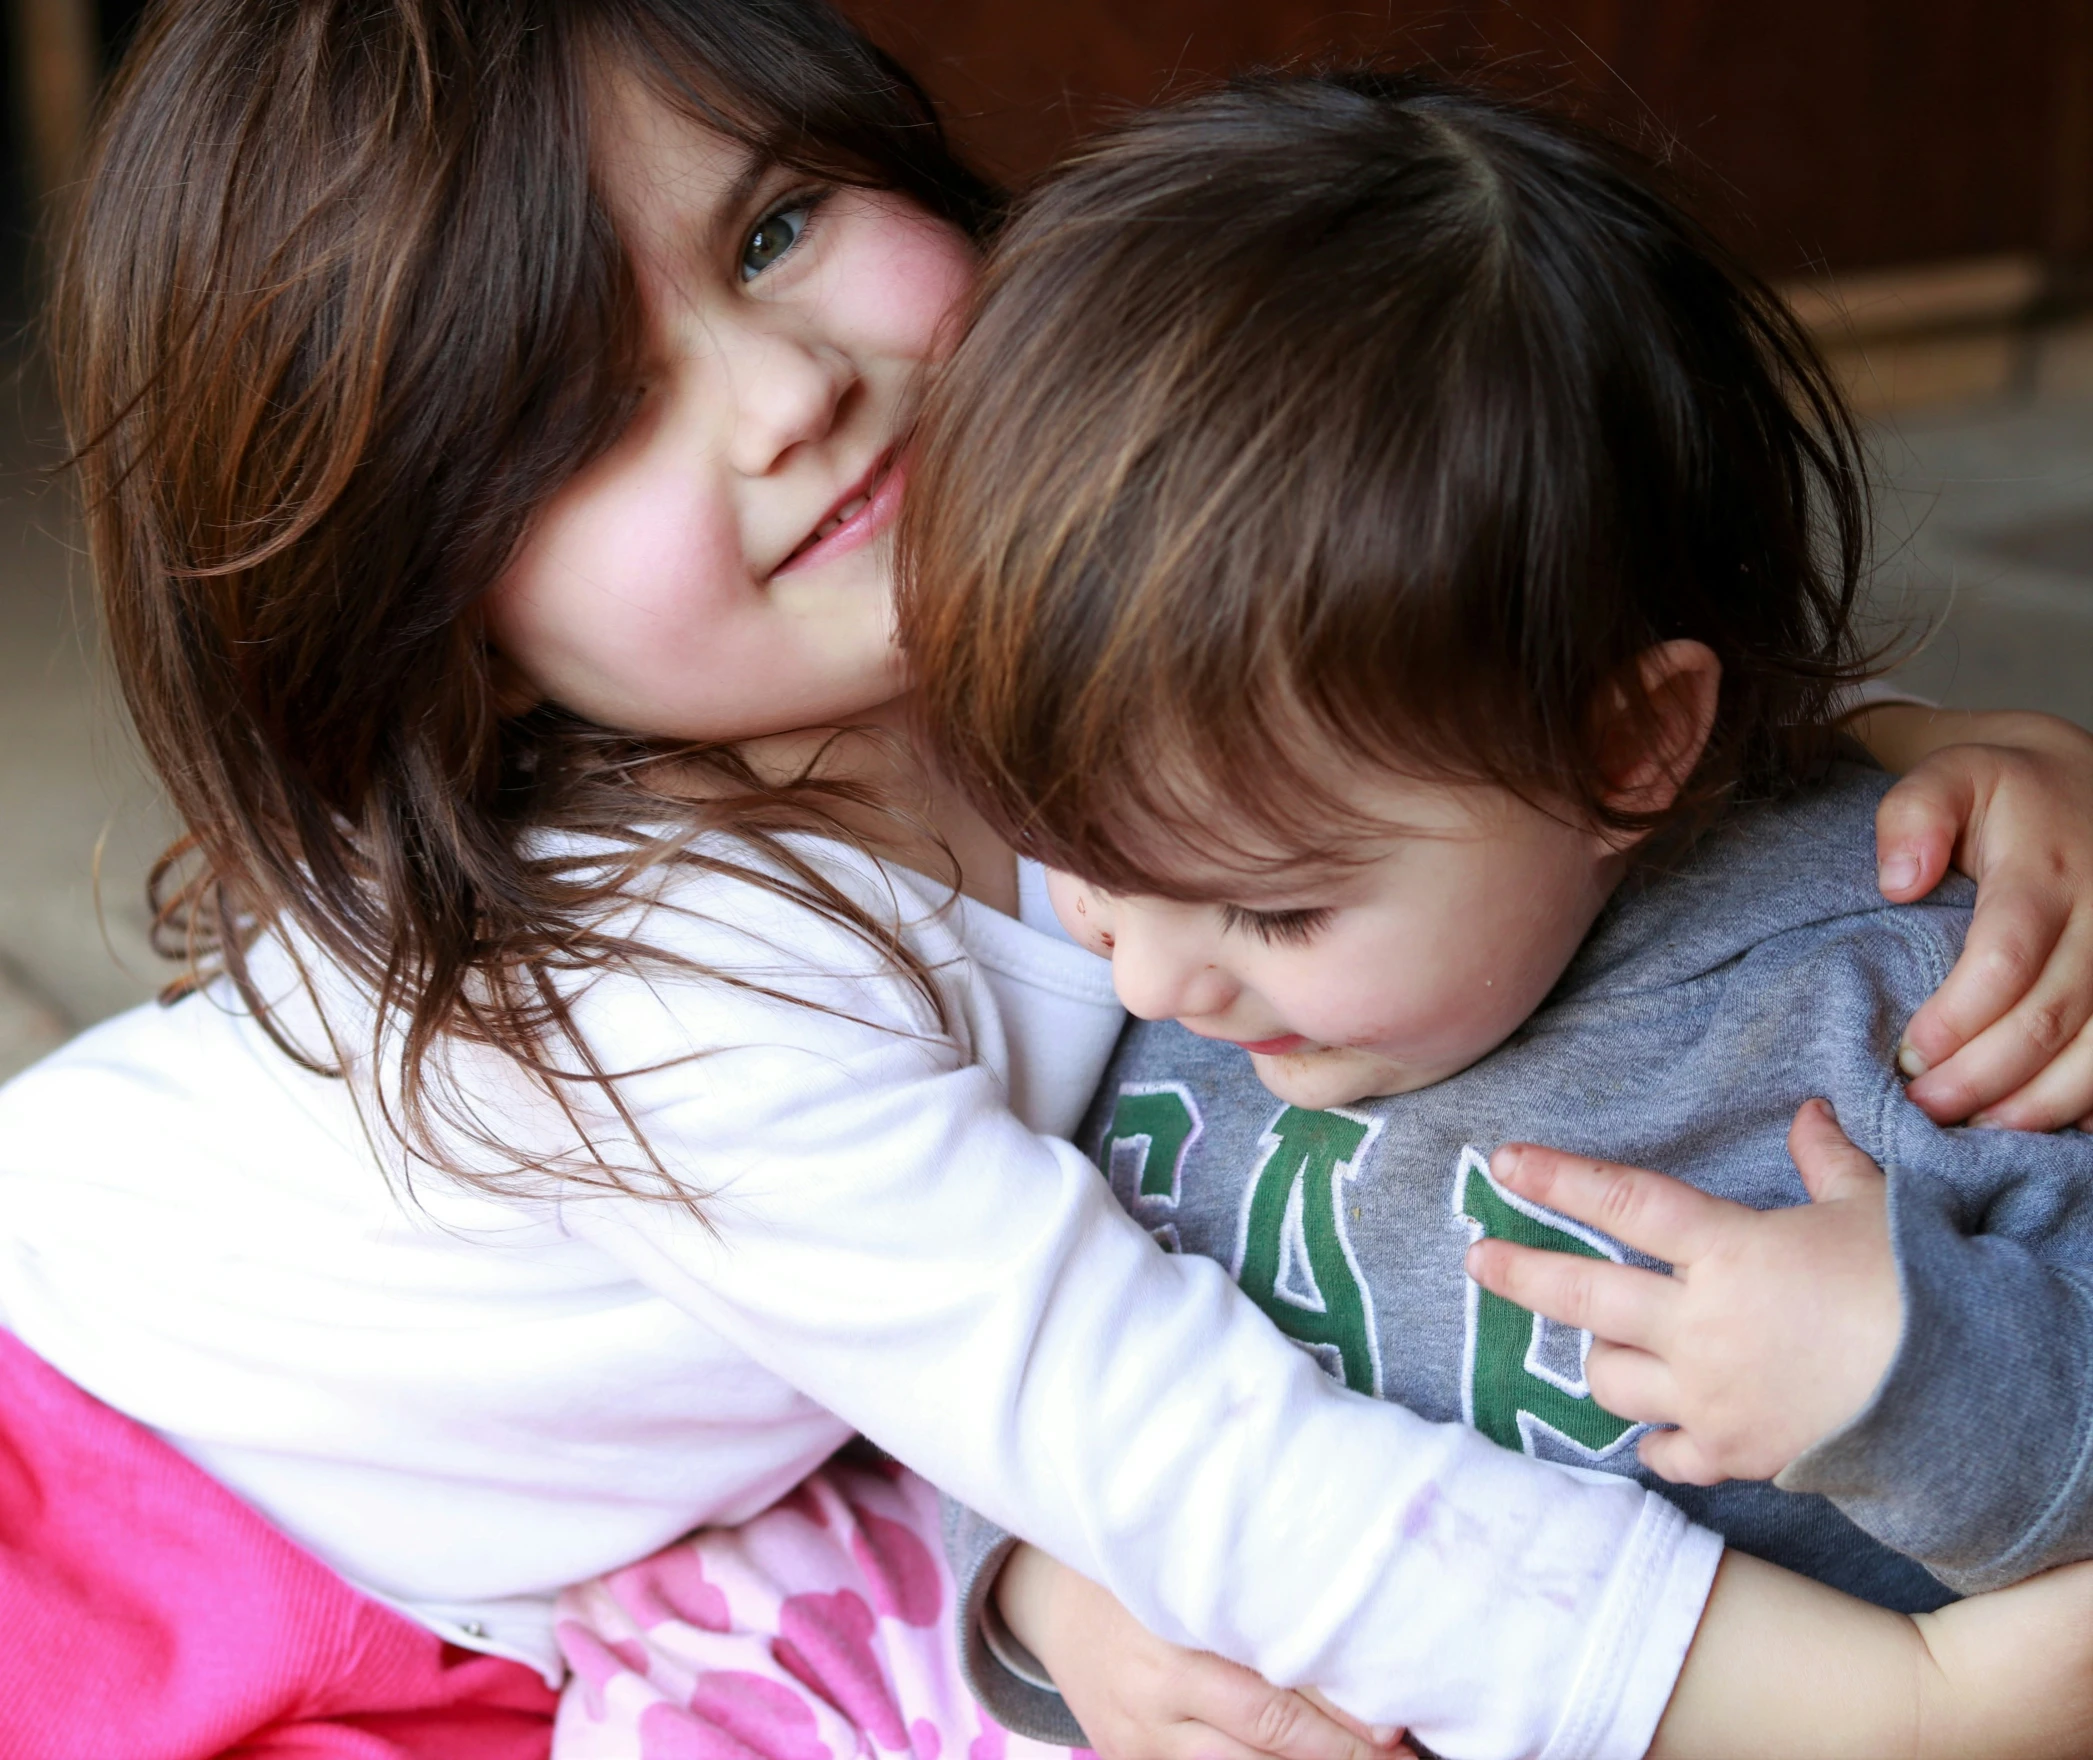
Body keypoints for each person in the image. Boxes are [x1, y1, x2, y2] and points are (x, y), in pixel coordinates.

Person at [6, 4, 2090, 1755]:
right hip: (130, 1495)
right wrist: (1899, 1701)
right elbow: (1209, 1465)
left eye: (775, 227)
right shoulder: (680, 997)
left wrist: (1922, 761)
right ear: (435, 610)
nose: (787, 391)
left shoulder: (1021, 612)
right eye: (578, 417)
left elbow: (1471, 698)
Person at [895, 68, 2093, 1759]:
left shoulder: (1902, 1004)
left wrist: (1908, 1369)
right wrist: (1045, 1588)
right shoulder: (1141, 984)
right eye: (1079, 861)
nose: (1156, 975)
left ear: (1625, 745)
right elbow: (1017, 1369)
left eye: (1279, 908)